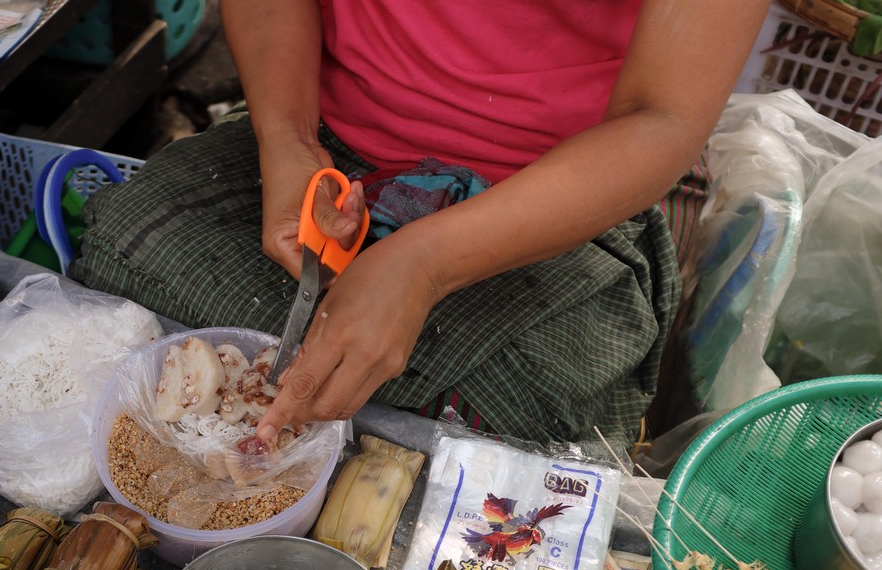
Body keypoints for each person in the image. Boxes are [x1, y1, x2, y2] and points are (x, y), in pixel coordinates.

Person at [69, 0, 772, 447]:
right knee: (122, 261)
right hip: (322, 127)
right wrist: (288, 141)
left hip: (554, 196)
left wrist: (425, 261)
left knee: (522, 433)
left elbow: (663, 121)